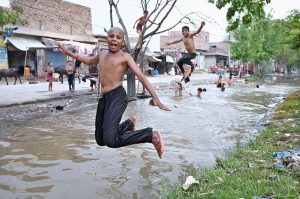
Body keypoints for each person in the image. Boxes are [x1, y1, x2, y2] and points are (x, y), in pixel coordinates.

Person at [55, 27, 170, 159]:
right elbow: (87, 59)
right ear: (107, 39)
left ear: (122, 42)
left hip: (117, 96)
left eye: (118, 37)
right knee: (100, 140)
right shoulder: (102, 54)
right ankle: (128, 124)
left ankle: (151, 136)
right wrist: (66, 51)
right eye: (111, 36)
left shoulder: (125, 57)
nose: (114, 39)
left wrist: (156, 98)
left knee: (111, 141)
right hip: (105, 98)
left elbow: (141, 76)